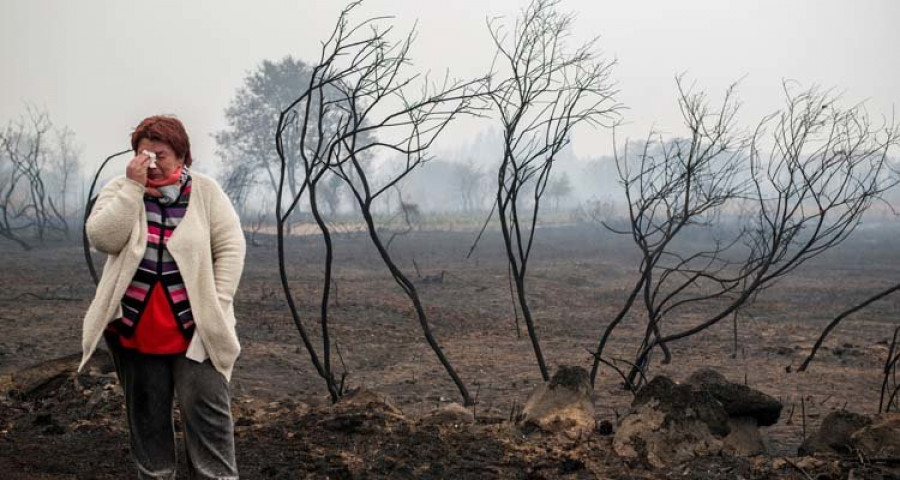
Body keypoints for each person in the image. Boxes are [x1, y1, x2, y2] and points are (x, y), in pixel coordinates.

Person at [79, 115, 245, 479]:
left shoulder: (205, 192)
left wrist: (215, 306)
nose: (150, 163)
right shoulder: (122, 189)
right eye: (143, 154)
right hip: (135, 332)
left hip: (196, 331)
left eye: (160, 155)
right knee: (149, 428)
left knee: (209, 423)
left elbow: (231, 248)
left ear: (182, 156)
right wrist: (132, 189)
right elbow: (103, 237)